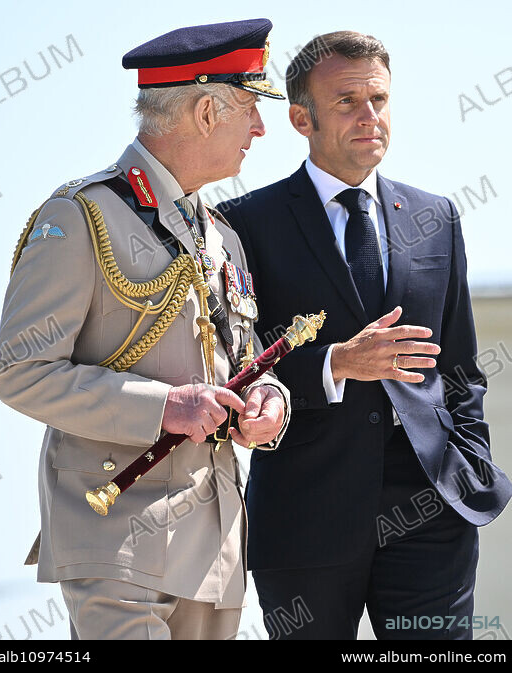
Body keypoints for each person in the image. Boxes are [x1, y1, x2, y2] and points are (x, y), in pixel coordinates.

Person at [0, 18, 290, 641]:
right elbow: (19, 372)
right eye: (251, 110)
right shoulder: (79, 215)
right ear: (207, 110)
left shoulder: (221, 234)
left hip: (215, 549)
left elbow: (236, 359)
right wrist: (165, 408)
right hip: (115, 535)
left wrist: (269, 401)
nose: (261, 130)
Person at [218, 31, 512, 640]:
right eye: (347, 101)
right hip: (306, 511)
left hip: (432, 506)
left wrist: (471, 460)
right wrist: (336, 364)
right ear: (302, 118)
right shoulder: (244, 224)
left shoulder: (437, 218)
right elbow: (232, 369)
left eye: (378, 99)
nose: (369, 115)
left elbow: (461, 369)